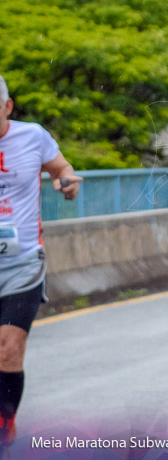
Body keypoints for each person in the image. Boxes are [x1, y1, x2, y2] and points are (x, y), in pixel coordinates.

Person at [0, 73, 81, 443]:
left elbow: (62, 169)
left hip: (23, 265)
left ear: (8, 107)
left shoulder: (32, 135)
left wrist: (66, 183)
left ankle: (4, 423)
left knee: (9, 348)